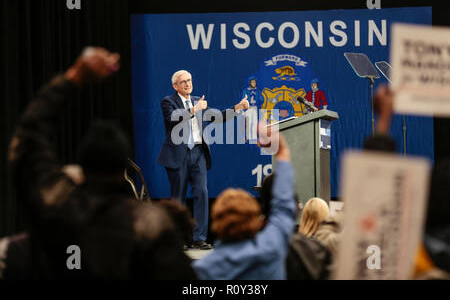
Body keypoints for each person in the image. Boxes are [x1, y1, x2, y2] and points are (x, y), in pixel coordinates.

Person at [6, 47, 196, 279]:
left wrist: (74, 77)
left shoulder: (55, 205)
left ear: (82, 167)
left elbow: (28, 139)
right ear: (122, 169)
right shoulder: (147, 225)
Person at [157, 70, 249, 250]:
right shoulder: (168, 101)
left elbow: (217, 117)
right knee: (179, 197)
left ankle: (199, 237)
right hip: (179, 154)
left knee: (202, 193)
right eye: (183, 82)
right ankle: (180, 239)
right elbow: (172, 119)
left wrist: (237, 107)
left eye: (189, 80)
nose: (187, 84)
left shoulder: (197, 100)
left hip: (198, 153)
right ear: (175, 86)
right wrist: (193, 110)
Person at [192, 124, 296, 279]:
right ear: (255, 219)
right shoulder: (272, 246)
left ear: (217, 223)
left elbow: (284, 209)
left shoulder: (202, 270)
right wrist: (282, 152)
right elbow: (284, 207)